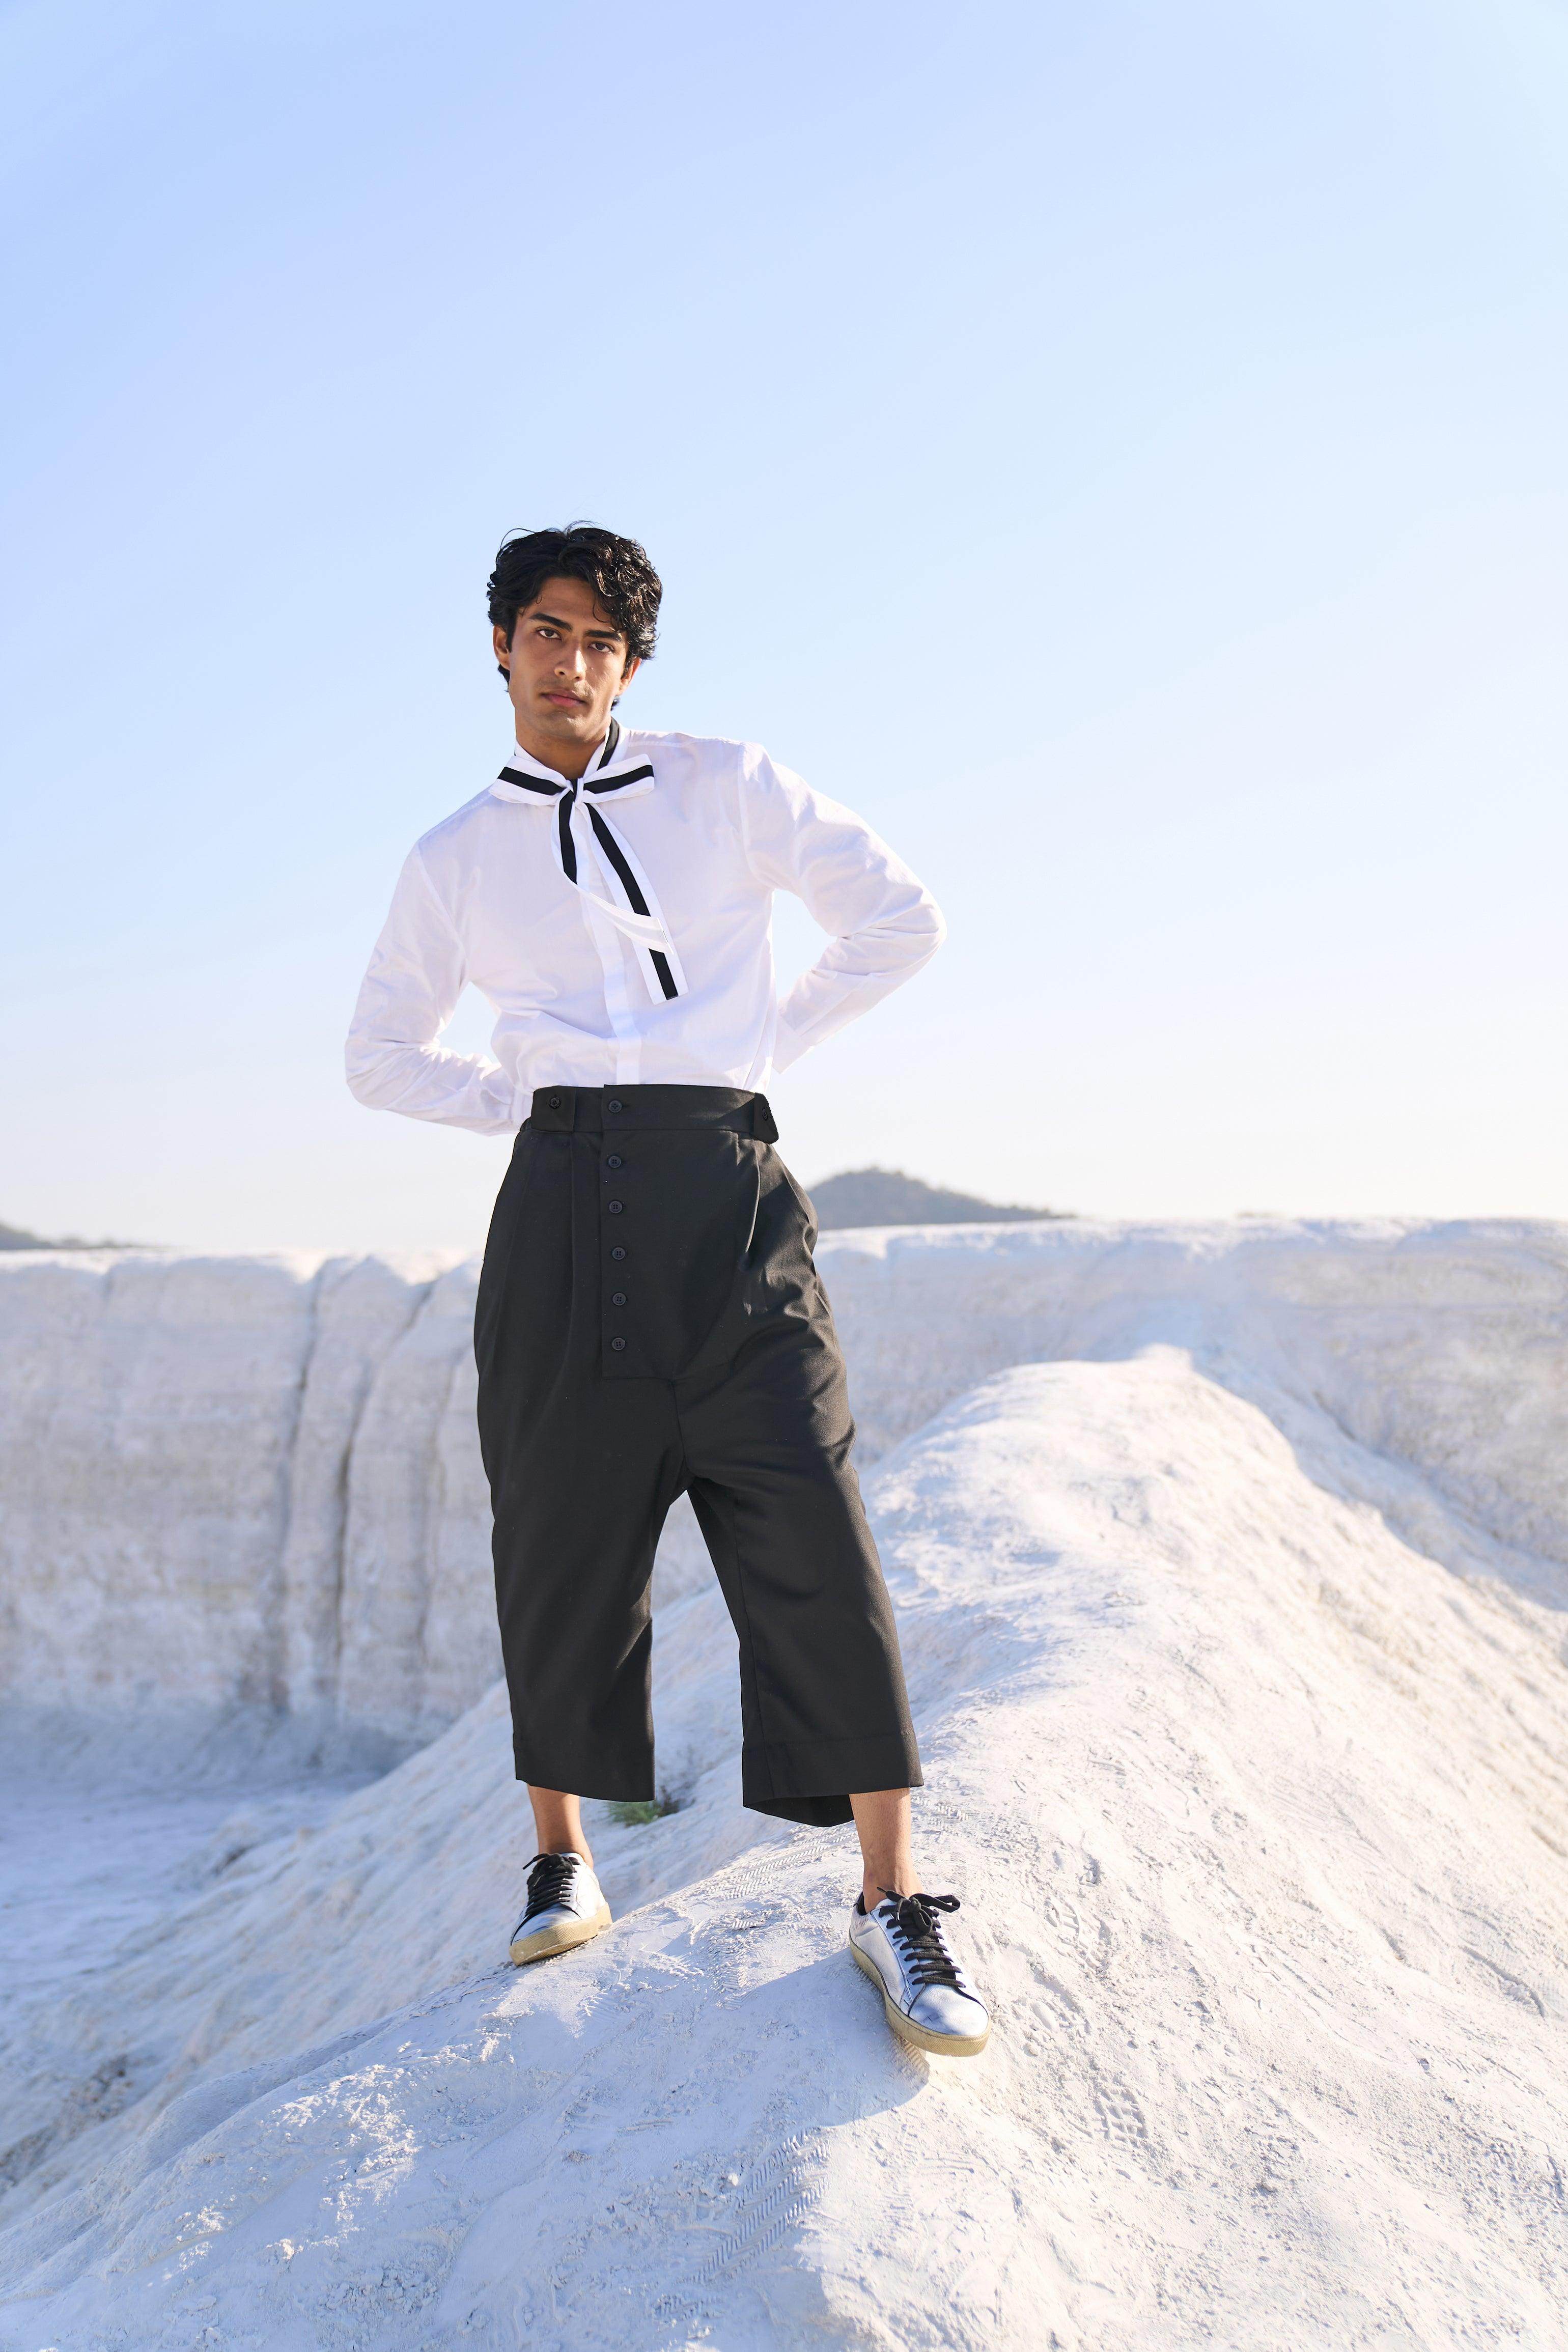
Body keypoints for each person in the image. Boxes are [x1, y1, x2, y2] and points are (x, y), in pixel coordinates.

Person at [346, 523, 990, 2058]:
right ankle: (564, 1857)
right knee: (557, 1533)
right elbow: (377, 1054)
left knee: (816, 1524)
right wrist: (524, 1099)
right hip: (560, 1214)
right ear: (500, 646)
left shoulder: (727, 783)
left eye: (599, 641)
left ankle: (892, 1896)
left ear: (629, 665)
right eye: (545, 632)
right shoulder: (453, 857)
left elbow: (899, 918)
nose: (569, 662)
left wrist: (757, 1051)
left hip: (731, 1200)